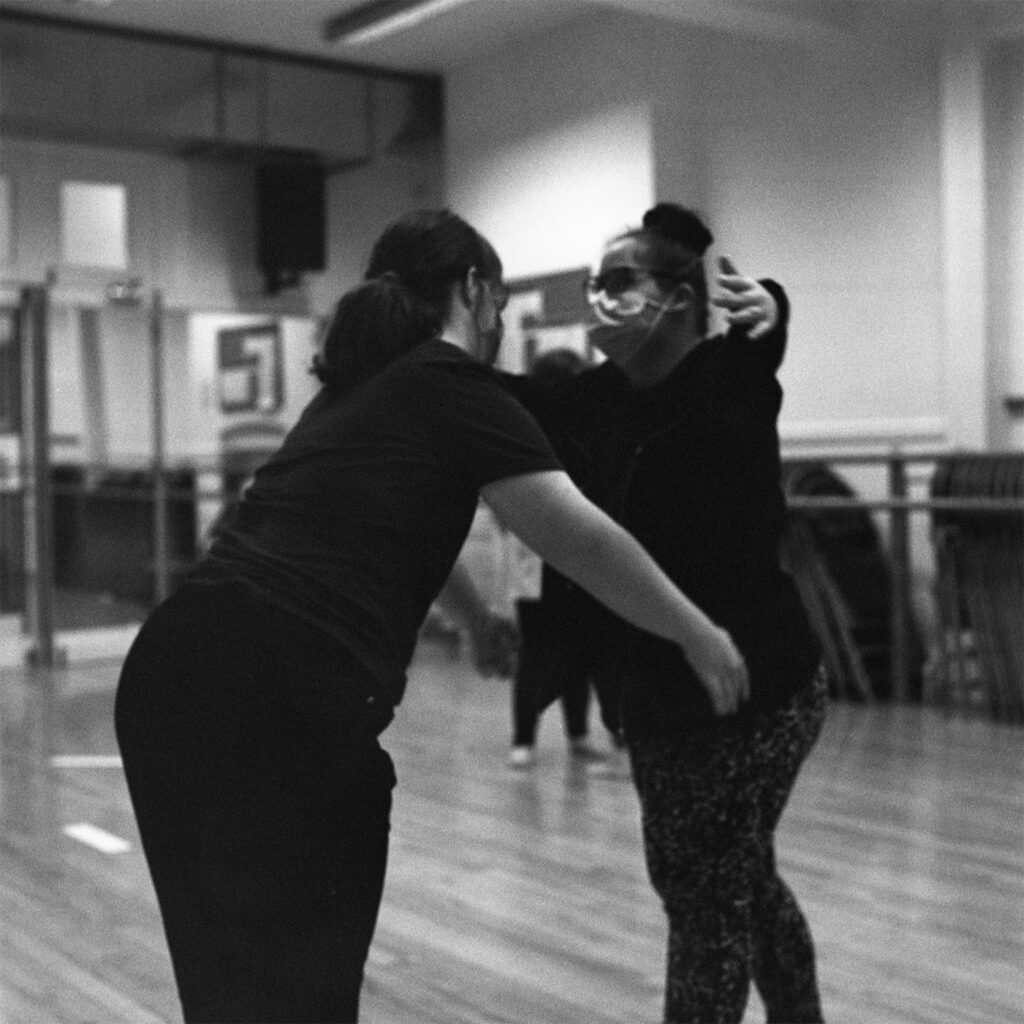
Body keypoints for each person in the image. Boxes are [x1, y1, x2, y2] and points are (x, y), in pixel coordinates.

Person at [114, 208, 750, 1024]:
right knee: (303, 996)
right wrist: (697, 630)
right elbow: (575, 536)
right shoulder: (450, 382)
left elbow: (398, 522)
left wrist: (479, 618)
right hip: (282, 690)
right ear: (478, 291)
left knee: (229, 989)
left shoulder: (354, 393)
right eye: (500, 309)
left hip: (171, 670)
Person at [501, 203, 826, 1023]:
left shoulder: (730, 373)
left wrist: (776, 301)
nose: (600, 299)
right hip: (657, 688)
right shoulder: (590, 401)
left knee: (706, 892)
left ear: (679, 299)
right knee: (732, 877)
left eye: (620, 283)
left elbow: (765, 324)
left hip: (762, 677)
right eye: (594, 286)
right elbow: (503, 403)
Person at [507, 347, 608, 768]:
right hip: (536, 552)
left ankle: (577, 734)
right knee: (539, 647)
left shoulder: (584, 429)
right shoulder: (528, 431)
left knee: (577, 647)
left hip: (570, 551)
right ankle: (525, 737)